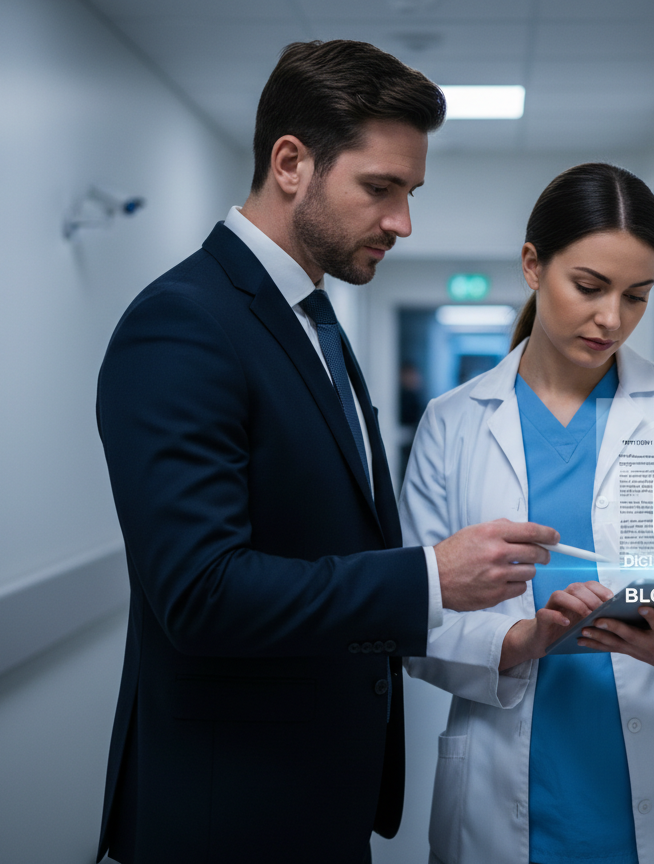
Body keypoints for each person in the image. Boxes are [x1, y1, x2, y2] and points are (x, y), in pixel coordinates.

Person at [94, 40, 557, 864]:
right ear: (291, 162)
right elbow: (199, 592)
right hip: (229, 812)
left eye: (411, 192)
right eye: (380, 189)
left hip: (317, 794)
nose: (402, 222)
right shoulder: (183, 324)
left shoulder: (313, 319)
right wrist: (427, 577)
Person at [400, 163, 654, 864]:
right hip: (506, 789)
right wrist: (519, 642)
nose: (612, 320)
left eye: (637, 296)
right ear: (533, 266)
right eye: (591, 288)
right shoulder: (453, 422)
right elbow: (414, 615)